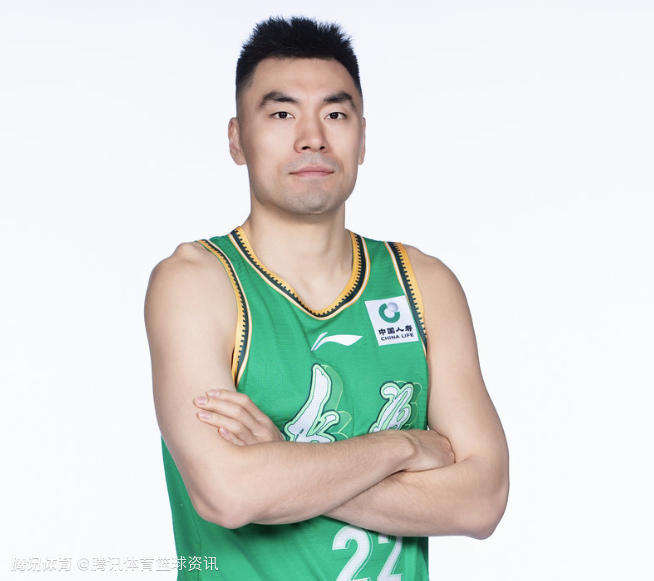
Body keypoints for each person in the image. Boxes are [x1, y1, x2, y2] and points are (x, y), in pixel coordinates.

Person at [144, 15, 509, 580]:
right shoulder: (197, 282)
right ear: (237, 138)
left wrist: (283, 462)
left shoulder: (423, 284)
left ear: (362, 138)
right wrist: (403, 448)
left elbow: (481, 502)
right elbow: (228, 494)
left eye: (335, 114)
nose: (312, 137)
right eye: (282, 113)